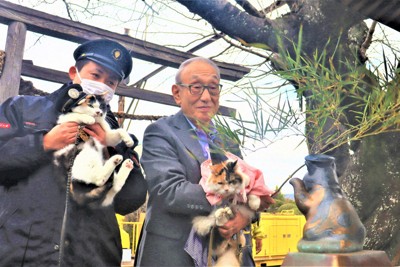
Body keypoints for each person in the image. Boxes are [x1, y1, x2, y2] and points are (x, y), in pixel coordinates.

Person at [0, 39, 147, 266]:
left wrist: (108, 150)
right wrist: (45, 143)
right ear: (73, 72)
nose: (102, 85)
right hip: (23, 254)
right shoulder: (21, 108)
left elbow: (130, 200)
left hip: (92, 258)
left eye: (111, 82)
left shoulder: (116, 135)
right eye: (96, 75)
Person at [135, 57, 274, 266]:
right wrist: (229, 199)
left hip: (227, 255)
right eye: (196, 87)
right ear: (177, 93)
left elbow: (246, 187)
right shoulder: (161, 132)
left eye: (213, 88)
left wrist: (245, 216)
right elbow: (170, 192)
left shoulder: (228, 139)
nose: (206, 97)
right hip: (175, 254)